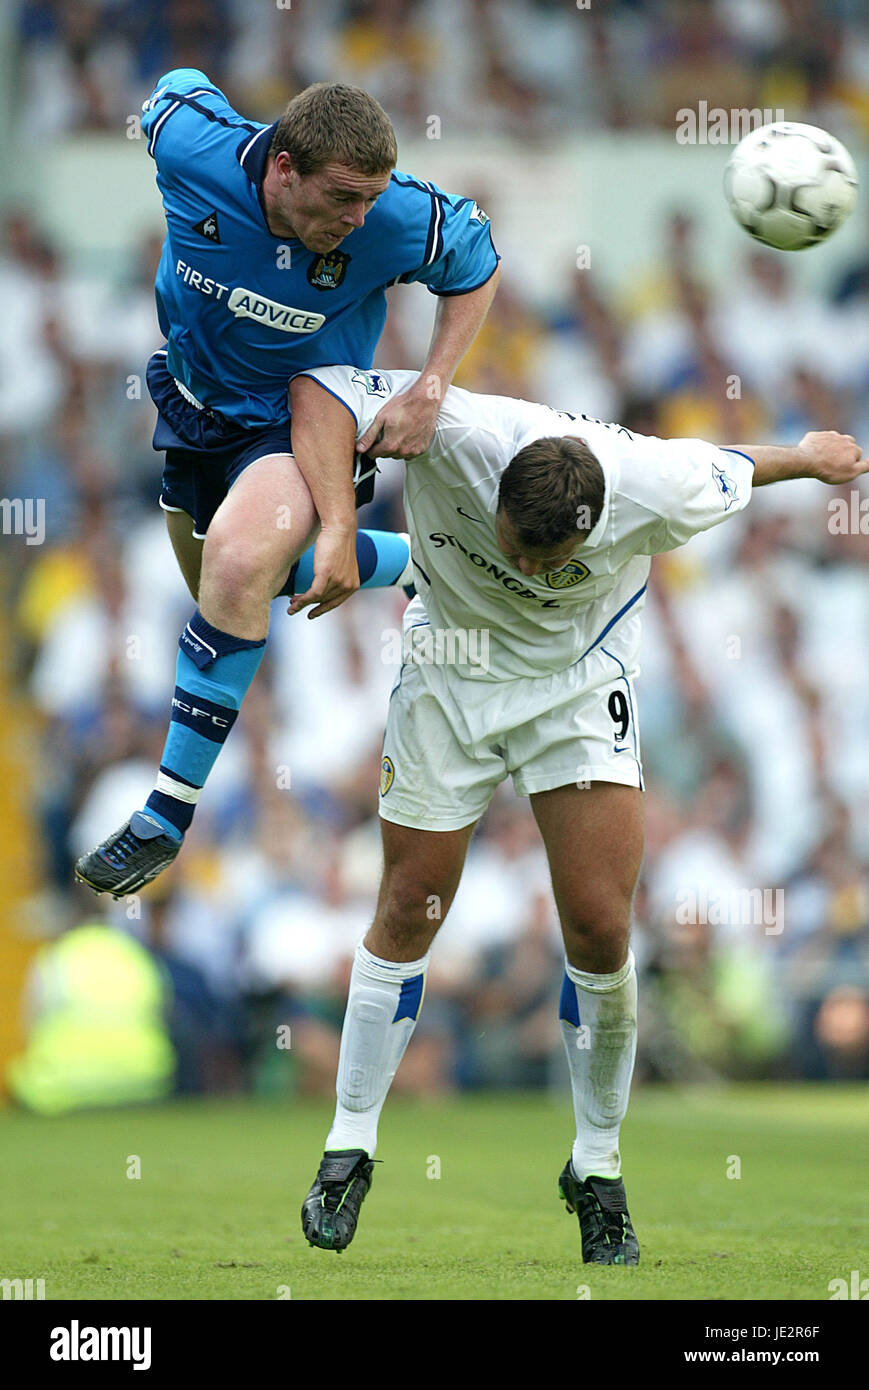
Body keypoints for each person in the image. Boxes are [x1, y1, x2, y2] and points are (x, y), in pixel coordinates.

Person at [289, 364, 868, 1262]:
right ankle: (348, 1147)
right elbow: (321, 389)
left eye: (545, 559)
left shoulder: (656, 487)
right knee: (408, 908)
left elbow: (734, 462)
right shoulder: (456, 430)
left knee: (599, 930)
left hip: (576, 684)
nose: (522, 564)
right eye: (514, 543)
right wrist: (335, 526)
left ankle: (596, 1168)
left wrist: (808, 456)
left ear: (596, 530)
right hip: (449, 671)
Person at [75, 68, 500, 898]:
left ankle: (165, 813)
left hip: (306, 418)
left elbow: (476, 265)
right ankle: (419, 562)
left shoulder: (396, 218)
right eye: (343, 198)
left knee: (238, 566)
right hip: (193, 406)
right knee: (234, 589)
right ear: (282, 169)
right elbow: (174, 87)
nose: (360, 220)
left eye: (371, 200)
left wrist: (431, 385)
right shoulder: (194, 150)